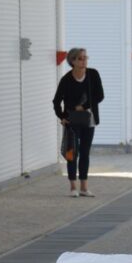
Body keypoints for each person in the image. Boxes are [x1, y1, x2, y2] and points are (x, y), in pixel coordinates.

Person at [53, 47, 104, 197]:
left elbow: (100, 96)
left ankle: (84, 187)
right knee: (71, 153)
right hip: (72, 121)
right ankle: (72, 187)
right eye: (80, 58)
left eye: (85, 58)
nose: (84, 61)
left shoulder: (93, 75)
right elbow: (56, 101)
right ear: (73, 61)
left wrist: (84, 106)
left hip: (89, 119)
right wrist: (62, 116)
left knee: (85, 152)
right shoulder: (66, 79)